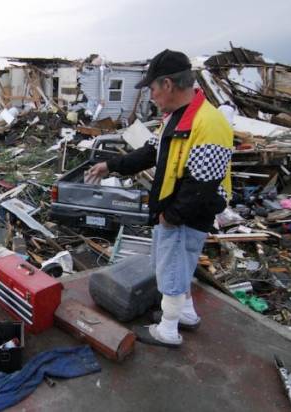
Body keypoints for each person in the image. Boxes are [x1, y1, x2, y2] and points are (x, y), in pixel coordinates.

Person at [88, 49, 233, 348]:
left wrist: (171, 216)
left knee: (171, 269)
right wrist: (111, 165)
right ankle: (187, 315)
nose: (151, 96)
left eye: (152, 89)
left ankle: (168, 329)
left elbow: (202, 185)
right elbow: (149, 153)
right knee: (180, 264)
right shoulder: (175, 118)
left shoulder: (209, 122)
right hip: (175, 208)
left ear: (167, 84)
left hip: (186, 213)